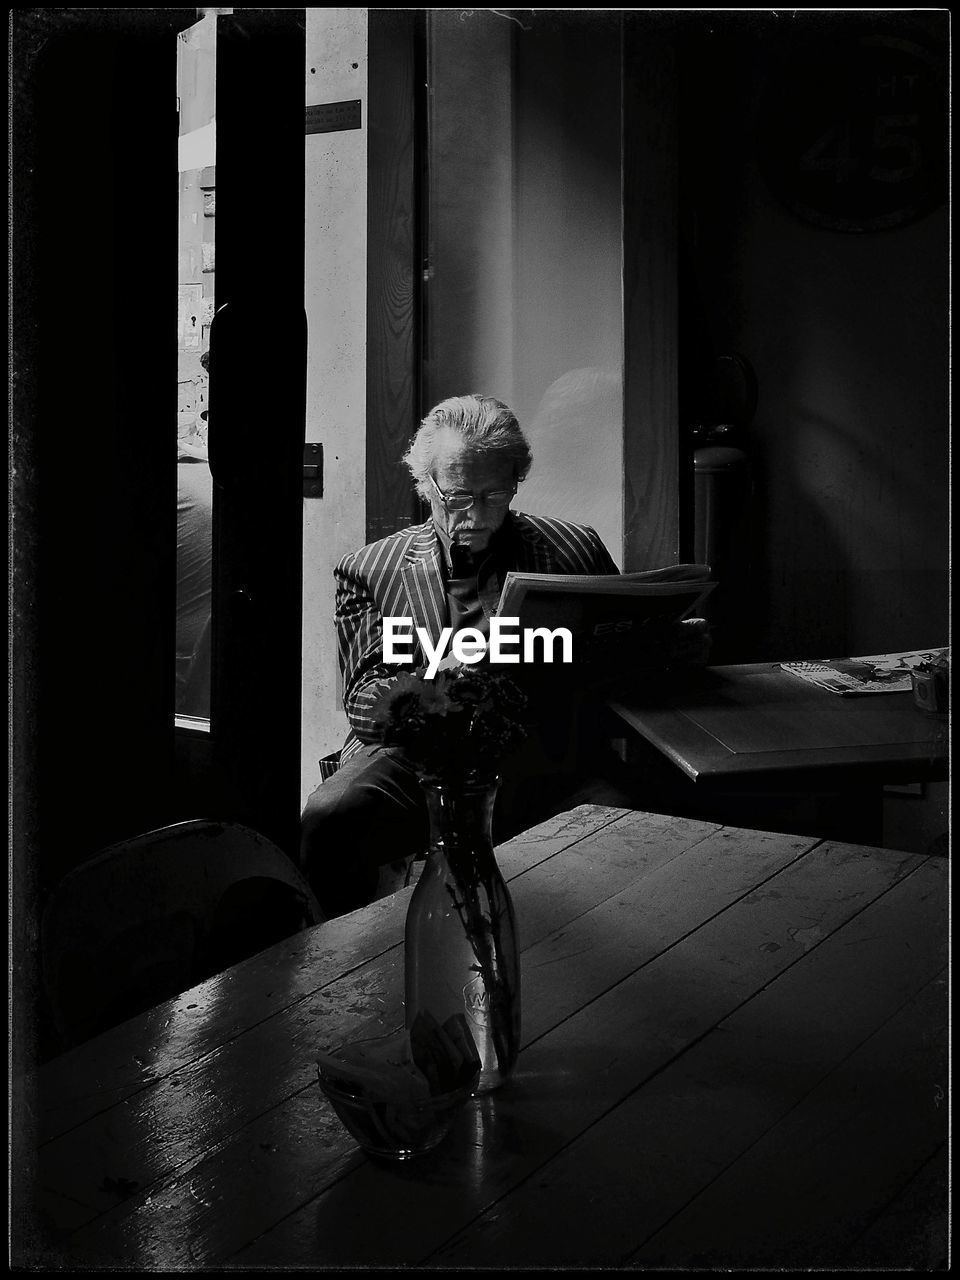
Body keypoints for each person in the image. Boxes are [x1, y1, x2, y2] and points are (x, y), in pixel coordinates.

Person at [300, 392, 630, 918]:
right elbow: (364, 701)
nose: (474, 516)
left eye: (494, 496)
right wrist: (436, 690)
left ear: (516, 481)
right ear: (424, 484)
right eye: (456, 499)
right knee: (331, 815)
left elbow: (618, 657)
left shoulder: (573, 549)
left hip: (543, 748)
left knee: (628, 815)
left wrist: (665, 645)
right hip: (422, 756)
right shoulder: (370, 568)